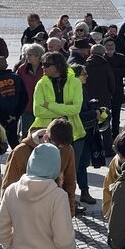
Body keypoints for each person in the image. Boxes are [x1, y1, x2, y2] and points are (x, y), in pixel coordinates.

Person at [31, 52, 90, 207]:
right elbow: (37, 111)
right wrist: (65, 109)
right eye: (42, 64)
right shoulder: (41, 83)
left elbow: (76, 109)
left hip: (73, 134)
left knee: (70, 174)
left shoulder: (75, 82)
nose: (42, 67)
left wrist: (49, 105)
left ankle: (69, 205)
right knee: (48, 173)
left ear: (57, 65)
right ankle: (48, 204)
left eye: (46, 64)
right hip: (46, 134)